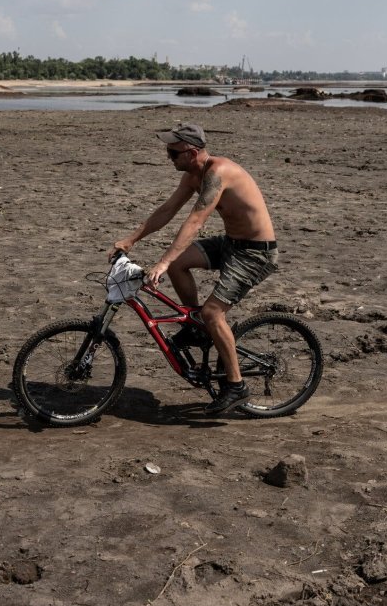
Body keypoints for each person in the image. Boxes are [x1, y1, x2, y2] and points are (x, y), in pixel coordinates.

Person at [111, 123, 278, 415]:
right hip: (232, 243)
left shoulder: (218, 173)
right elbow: (167, 210)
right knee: (180, 266)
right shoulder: (192, 175)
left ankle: (236, 386)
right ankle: (198, 328)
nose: (168, 157)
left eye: (172, 152)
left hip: (255, 253)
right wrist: (130, 239)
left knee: (213, 312)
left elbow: (196, 221)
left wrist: (163, 261)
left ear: (190, 152)